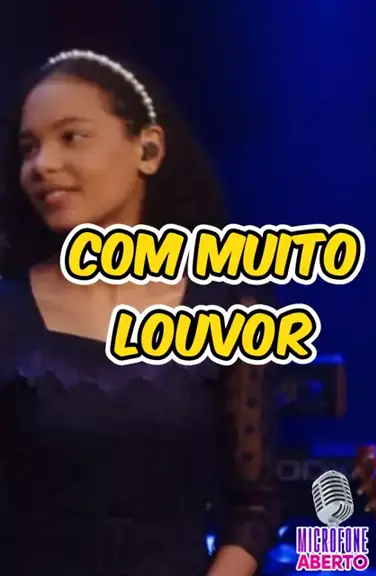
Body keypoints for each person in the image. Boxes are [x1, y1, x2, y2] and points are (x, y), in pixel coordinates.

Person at [0, 50, 281, 575]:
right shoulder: (8, 310)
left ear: (148, 150)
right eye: (28, 148)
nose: (42, 165)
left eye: (72, 137)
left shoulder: (230, 306)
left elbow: (254, 507)